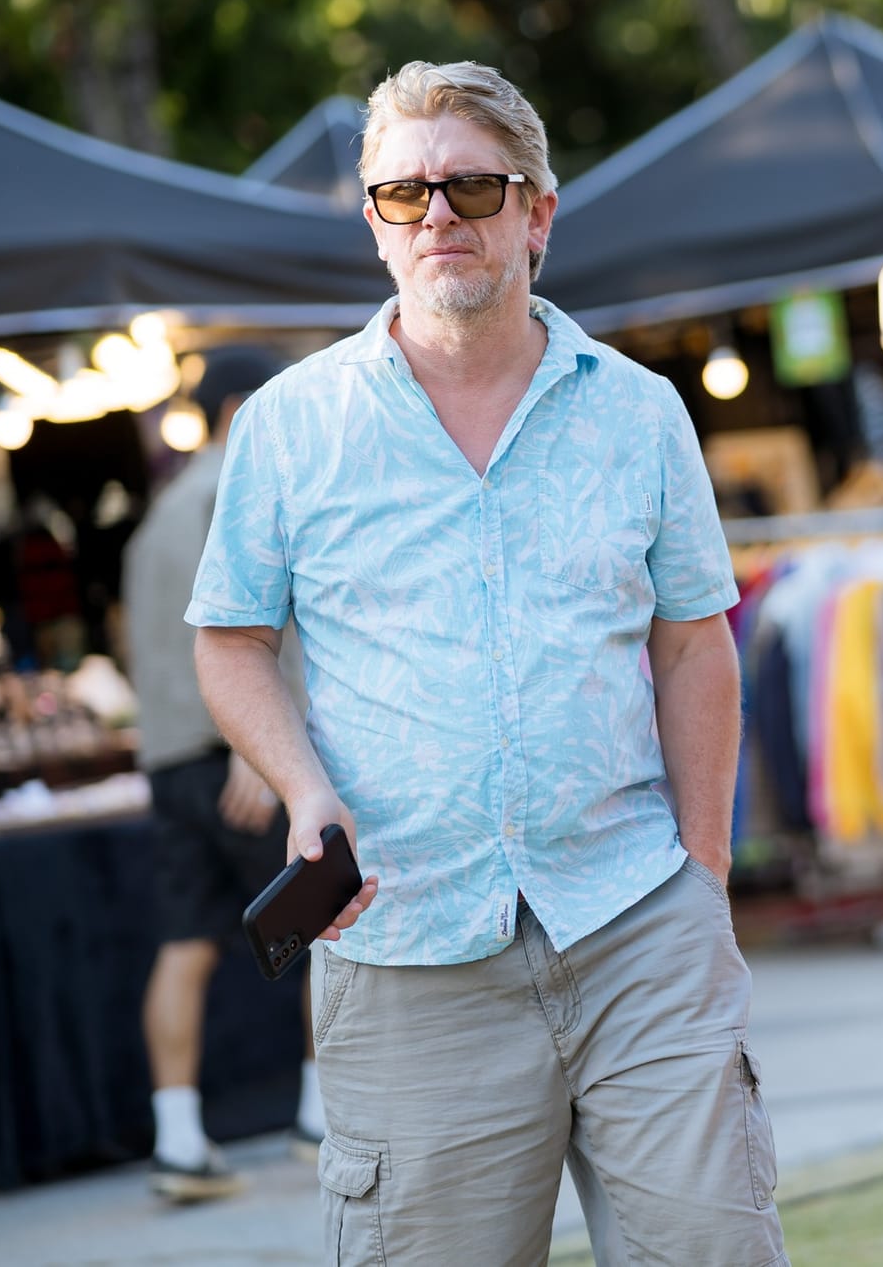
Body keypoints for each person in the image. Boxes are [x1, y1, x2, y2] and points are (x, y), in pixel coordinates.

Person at [186, 62, 786, 1266]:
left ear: (537, 213)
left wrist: (702, 880)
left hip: (633, 922)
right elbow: (231, 639)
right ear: (374, 224)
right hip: (406, 949)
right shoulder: (290, 425)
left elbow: (691, 641)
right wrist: (303, 788)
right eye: (403, 195)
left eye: (471, 187)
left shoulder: (638, 412)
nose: (438, 217)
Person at [123, 346, 324, 1203]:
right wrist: (259, 748)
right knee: (324, 928)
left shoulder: (157, 513)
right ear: (242, 409)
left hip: (169, 757)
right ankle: (323, 1119)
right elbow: (245, 631)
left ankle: (178, 1142)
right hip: (237, 751)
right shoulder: (230, 490)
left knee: (185, 944)